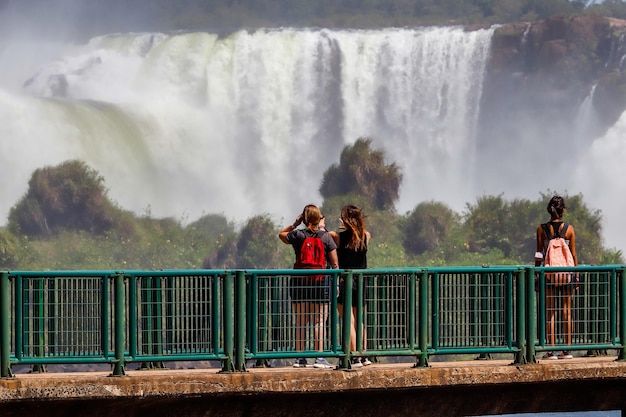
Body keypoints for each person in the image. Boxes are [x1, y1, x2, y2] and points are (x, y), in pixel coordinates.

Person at [279, 204, 338, 369]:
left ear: (304, 219)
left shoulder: (298, 235)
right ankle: (319, 358)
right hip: (321, 282)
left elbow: (281, 235)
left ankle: (300, 358)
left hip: (300, 282)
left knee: (300, 321)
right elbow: (334, 263)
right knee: (319, 321)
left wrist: (295, 223)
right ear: (319, 218)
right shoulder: (326, 237)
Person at [535, 195, 578, 360]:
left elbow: (539, 253)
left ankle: (551, 351)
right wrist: (576, 276)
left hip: (548, 274)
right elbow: (573, 254)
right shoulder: (569, 229)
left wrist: (537, 272)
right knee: (567, 312)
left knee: (550, 312)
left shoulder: (542, 229)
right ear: (563, 210)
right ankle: (567, 351)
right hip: (566, 274)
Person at [330, 205, 372, 368]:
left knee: (348, 319)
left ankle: (353, 357)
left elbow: (324, 234)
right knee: (358, 319)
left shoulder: (337, 236)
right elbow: (357, 233)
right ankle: (363, 355)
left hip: (346, 281)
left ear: (345, 220)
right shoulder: (366, 236)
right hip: (362, 282)